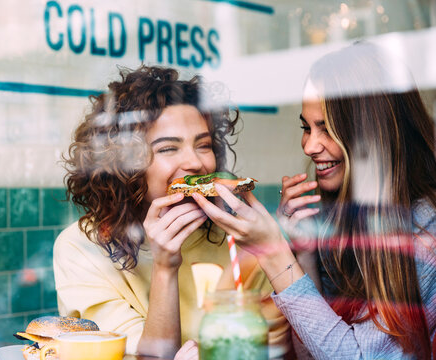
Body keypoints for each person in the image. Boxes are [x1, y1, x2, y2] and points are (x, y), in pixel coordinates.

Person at [193, 42, 436, 359]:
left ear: (371, 133)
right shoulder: (339, 212)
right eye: (306, 128)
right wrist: (304, 248)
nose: (309, 146)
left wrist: (274, 254)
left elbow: (357, 356)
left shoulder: (431, 216)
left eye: (326, 128)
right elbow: (314, 353)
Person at [53, 65, 290, 358]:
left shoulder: (240, 241)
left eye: (203, 145)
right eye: (168, 149)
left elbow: (279, 349)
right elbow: (149, 356)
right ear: (124, 165)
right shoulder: (81, 247)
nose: (194, 163)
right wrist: (165, 267)